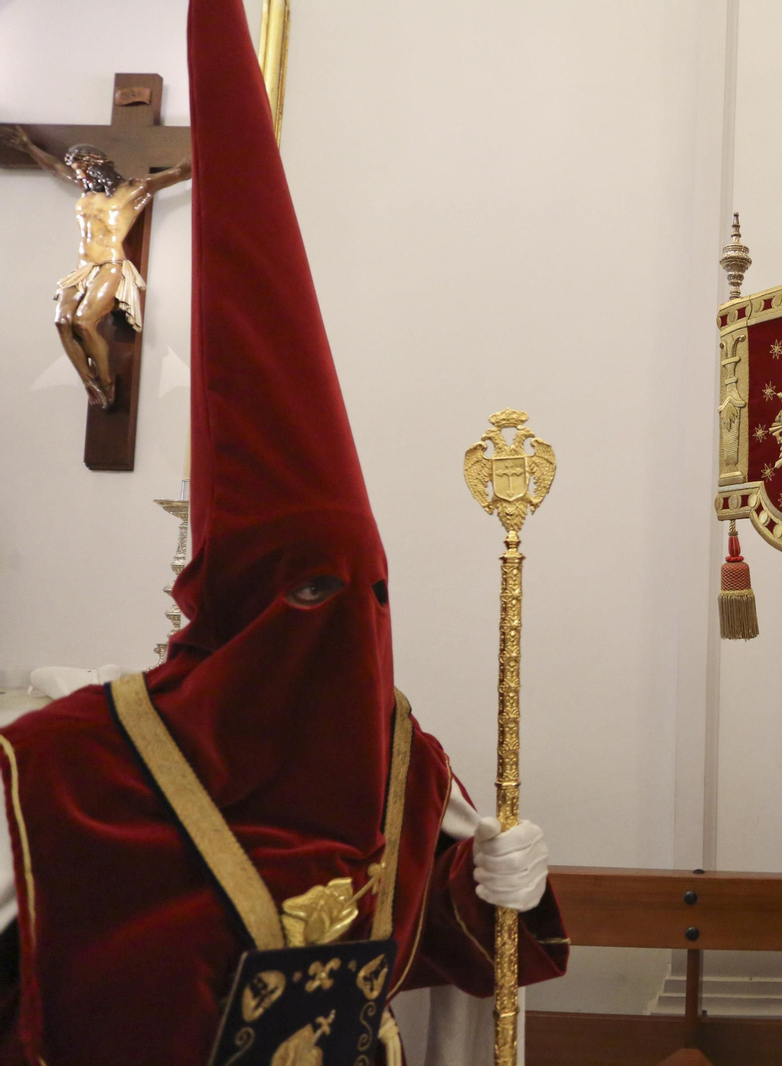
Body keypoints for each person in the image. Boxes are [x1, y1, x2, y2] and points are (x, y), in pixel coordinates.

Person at [0, 2, 566, 1063]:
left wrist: (505, 888)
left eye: (369, 593)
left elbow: (446, 948)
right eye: (309, 592)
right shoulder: (70, 770)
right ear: (229, 600)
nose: (347, 625)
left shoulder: (398, 764)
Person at [0, 126, 190, 409]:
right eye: (77, 171)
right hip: (82, 269)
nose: (79, 176)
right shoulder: (85, 192)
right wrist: (28, 147)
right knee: (62, 321)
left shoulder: (131, 190)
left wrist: (209, 145)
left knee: (84, 322)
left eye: (83, 170)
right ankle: (90, 382)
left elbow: (179, 172)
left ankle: (107, 381)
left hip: (109, 265)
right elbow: (55, 168)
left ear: (98, 166)